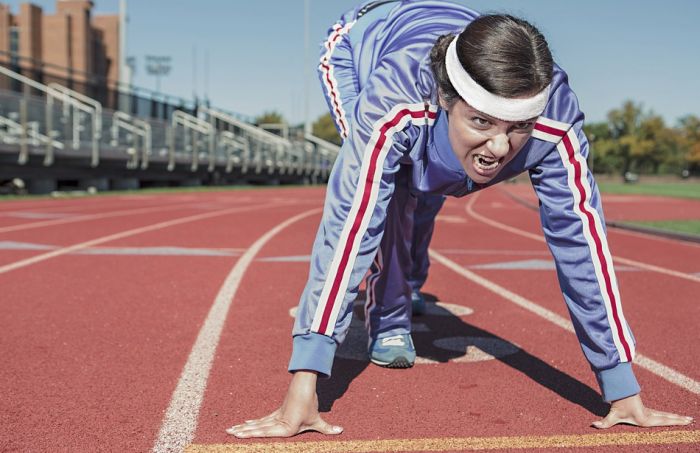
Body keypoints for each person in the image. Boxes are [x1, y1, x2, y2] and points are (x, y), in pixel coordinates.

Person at [228, 0, 693, 438]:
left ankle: (410, 279)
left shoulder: (556, 120)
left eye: (518, 128)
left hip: (448, 47)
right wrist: (305, 383)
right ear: (449, 100)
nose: (498, 148)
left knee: (432, 186)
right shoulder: (395, 100)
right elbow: (350, 225)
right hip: (360, 44)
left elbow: (582, 245)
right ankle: (389, 316)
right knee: (390, 194)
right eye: (483, 123)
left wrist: (622, 387)